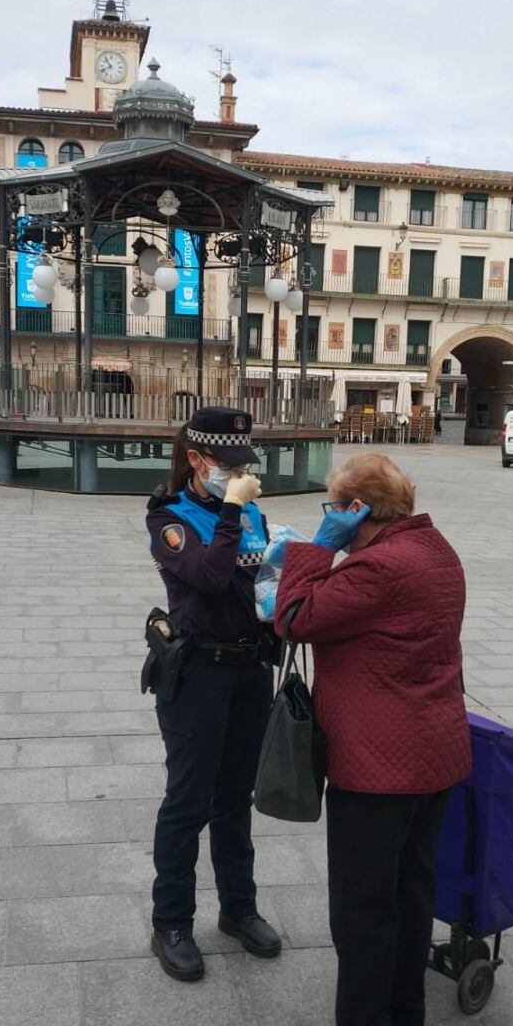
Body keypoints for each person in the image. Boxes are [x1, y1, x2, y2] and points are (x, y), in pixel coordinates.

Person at [274, 452, 470, 1026]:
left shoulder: (377, 568)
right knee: (411, 893)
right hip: (435, 755)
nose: (327, 516)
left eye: (333, 507)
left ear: (357, 511)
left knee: (362, 911)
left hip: (378, 766)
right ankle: (405, 1016)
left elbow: (295, 619)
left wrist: (313, 550)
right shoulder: (435, 549)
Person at [145, 406, 282, 982]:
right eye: (227, 465)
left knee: (234, 799)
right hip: (197, 675)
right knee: (188, 803)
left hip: (250, 671)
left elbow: (260, 582)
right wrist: (229, 507)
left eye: (242, 466)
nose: (239, 475)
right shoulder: (168, 516)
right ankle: (171, 922)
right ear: (197, 460)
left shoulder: (252, 514)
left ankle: (238, 909)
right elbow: (207, 576)